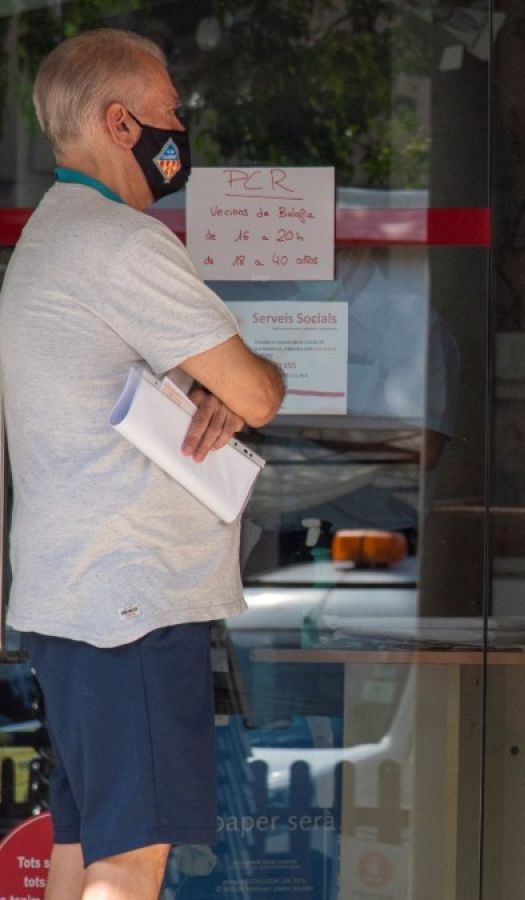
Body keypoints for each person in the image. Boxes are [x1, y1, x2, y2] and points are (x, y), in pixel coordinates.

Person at [0, 30, 284, 899]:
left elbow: (213, 388)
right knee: (131, 864)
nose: (180, 129)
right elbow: (260, 392)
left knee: (87, 851)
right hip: (133, 599)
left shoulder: (54, 236)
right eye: (170, 113)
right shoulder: (122, 245)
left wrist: (216, 387)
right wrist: (237, 383)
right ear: (122, 124)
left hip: (79, 596)